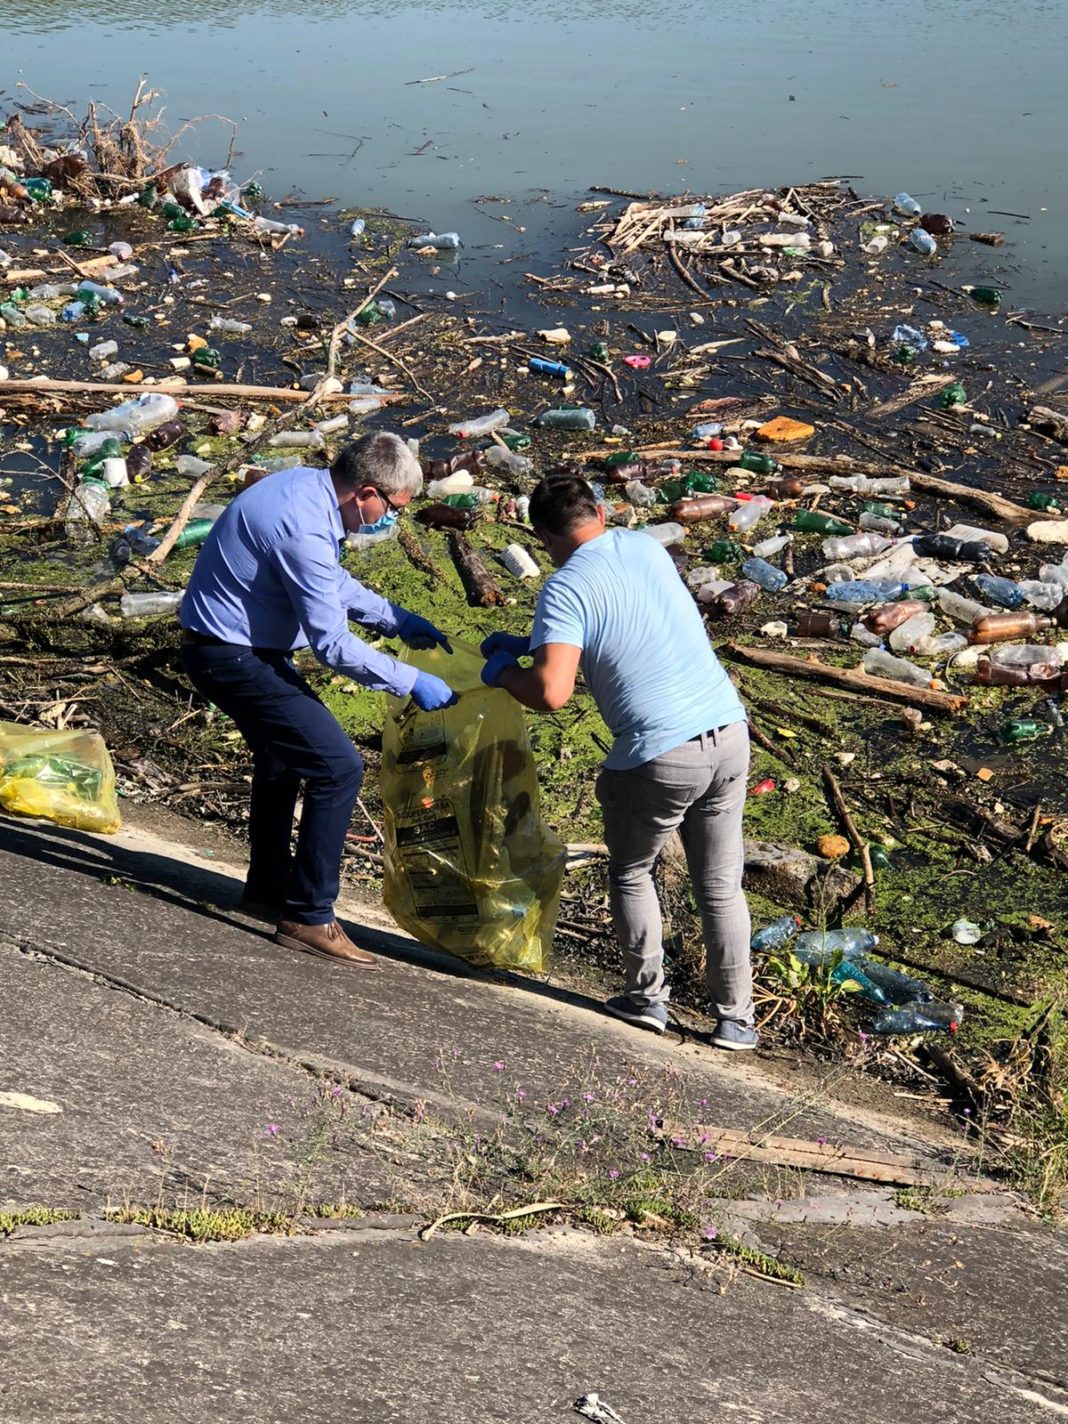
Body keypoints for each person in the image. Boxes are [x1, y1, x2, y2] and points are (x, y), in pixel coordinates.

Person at [479, 474, 756, 1049]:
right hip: (728, 730)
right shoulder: (643, 546)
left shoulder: (564, 588)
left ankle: (646, 997)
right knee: (721, 886)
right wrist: (529, 644)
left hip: (659, 751)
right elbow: (628, 624)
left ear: (543, 535)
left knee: (632, 870)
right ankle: (736, 1020)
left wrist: (504, 672)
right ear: (601, 511)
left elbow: (553, 694)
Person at [180, 432, 456, 968]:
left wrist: (396, 619)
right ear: (366, 492)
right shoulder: (302, 524)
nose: (391, 522)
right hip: (229, 656)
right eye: (393, 509)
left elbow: (331, 584)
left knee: (283, 758)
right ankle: (309, 914)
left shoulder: (308, 490)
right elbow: (331, 645)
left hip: (239, 647)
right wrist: (408, 678)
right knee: (337, 767)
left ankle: (267, 888)